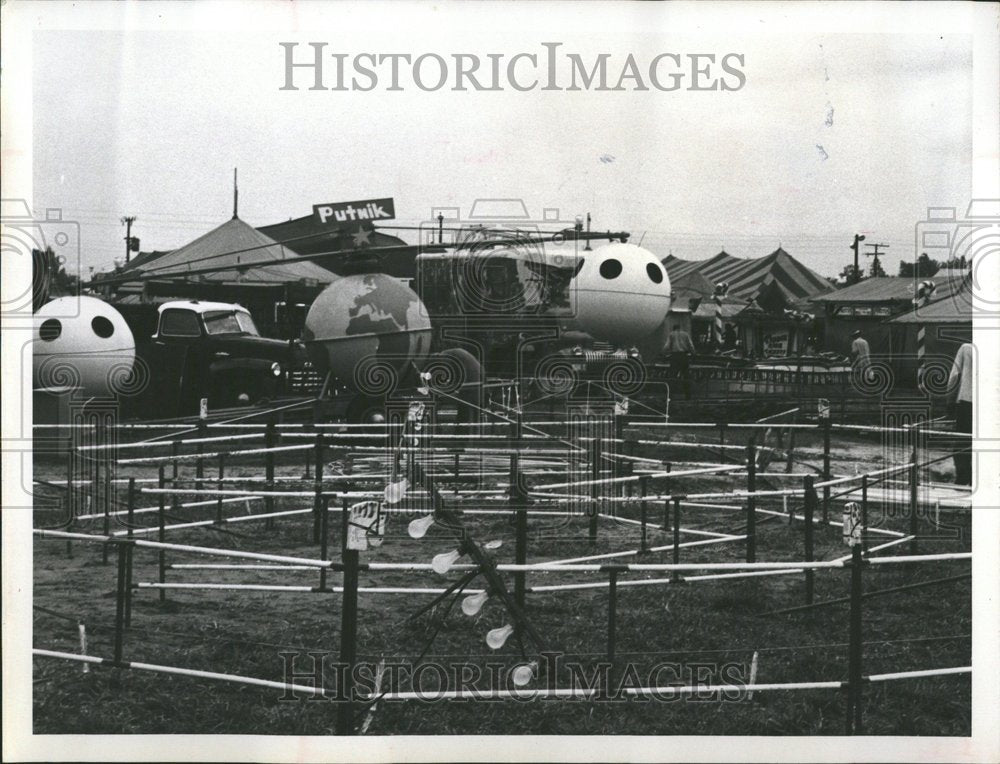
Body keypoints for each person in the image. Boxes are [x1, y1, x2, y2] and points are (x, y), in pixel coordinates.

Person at [947, 342, 973, 485]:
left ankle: (963, 477)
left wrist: (950, 401)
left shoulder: (967, 348)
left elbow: (954, 376)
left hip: (967, 401)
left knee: (962, 441)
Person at [664, 324, 695, 399]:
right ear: (680, 328)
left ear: (673, 328)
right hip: (684, 356)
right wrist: (693, 353)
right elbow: (691, 345)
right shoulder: (685, 334)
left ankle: (670, 396)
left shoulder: (671, 335)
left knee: (672, 376)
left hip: (675, 356)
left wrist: (664, 353)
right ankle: (688, 396)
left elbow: (667, 346)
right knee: (686, 375)